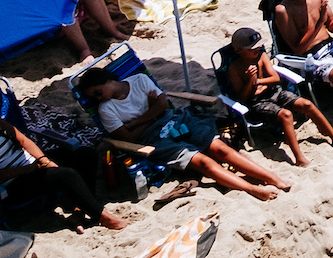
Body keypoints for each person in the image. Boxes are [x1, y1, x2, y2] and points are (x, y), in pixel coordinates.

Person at [82, 62, 293, 201]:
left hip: (175, 119)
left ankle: (272, 177)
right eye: (95, 97)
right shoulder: (106, 109)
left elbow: (163, 107)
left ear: (108, 80)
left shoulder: (139, 80)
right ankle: (252, 189)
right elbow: (129, 138)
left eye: (98, 92)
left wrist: (136, 121)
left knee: (219, 149)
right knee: (202, 162)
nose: (98, 98)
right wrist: (153, 113)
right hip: (153, 140)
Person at [0, 86, 126, 232]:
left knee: (85, 155)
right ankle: (102, 217)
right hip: (12, 185)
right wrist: (22, 170)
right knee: (66, 175)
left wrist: (44, 159)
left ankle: (80, 210)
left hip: (31, 167)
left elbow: (23, 139)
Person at [218, 25, 333, 163]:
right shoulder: (234, 68)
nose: (257, 49)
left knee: (307, 104)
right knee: (286, 115)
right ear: (238, 51)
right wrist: (250, 81)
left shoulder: (261, 56)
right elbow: (243, 99)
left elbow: (276, 79)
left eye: (257, 46)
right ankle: (299, 158)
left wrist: (258, 81)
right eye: (252, 48)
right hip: (256, 103)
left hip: (274, 92)